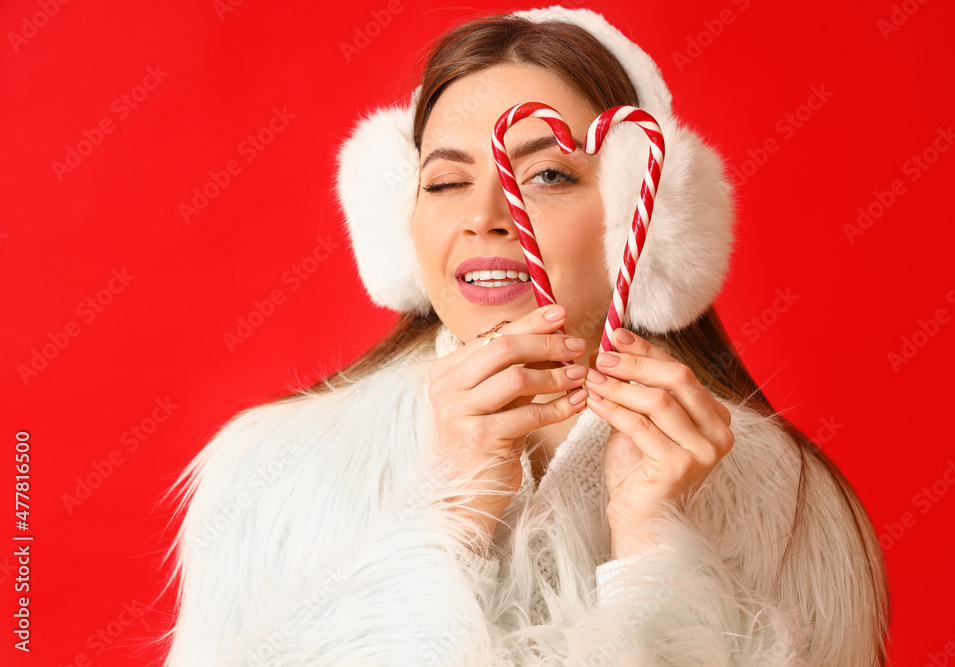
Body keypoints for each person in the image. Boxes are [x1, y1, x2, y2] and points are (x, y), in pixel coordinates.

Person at [161, 6, 890, 665]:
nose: (486, 214)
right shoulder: (272, 478)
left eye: (546, 174)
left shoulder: (790, 507)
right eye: (445, 182)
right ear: (399, 223)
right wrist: (447, 524)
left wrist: (656, 552)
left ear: (645, 219)